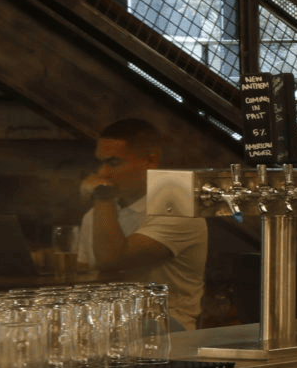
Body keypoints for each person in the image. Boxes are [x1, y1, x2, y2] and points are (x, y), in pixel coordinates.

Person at [72, 118, 206, 329]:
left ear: (150, 161)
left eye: (114, 163)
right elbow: (85, 276)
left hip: (166, 328)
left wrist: (102, 195)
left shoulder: (177, 204)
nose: (103, 173)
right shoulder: (96, 213)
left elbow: (112, 259)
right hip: (112, 325)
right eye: (101, 162)